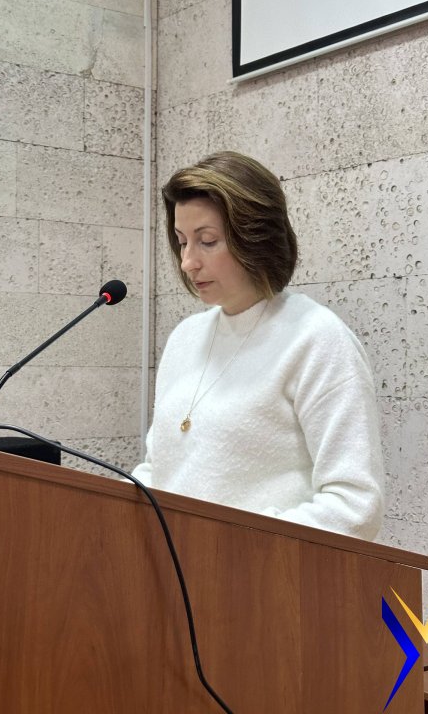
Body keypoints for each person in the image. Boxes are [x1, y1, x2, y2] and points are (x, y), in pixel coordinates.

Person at [132, 151, 384, 541]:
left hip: (258, 571)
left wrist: (236, 545)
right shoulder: (185, 338)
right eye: (182, 242)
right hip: (172, 569)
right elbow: (158, 469)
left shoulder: (315, 338)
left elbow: (355, 505)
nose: (188, 262)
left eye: (207, 241)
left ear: (255, 237)